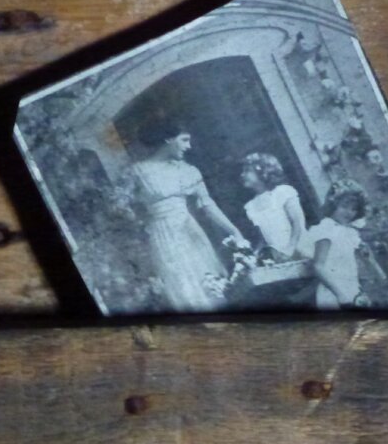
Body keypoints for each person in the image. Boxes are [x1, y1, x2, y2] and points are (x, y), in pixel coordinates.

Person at [123, 120, 247, 312]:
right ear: (168, 139)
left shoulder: (189, 171)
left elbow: (208, 205)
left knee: (209, 285)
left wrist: (234, 231)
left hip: (190, 231)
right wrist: (140, 222)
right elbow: (121, 209)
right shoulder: (138, 171)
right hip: (162, 236)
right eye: (184, 140)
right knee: (184, 290)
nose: (189, 146)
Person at [299, 180, 369, 310]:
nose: (349, 212)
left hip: (352, 289)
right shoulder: (327, 228)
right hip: (333, 292)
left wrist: (358, 290)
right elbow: (318, 266)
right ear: (333, 204)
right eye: (344, 206)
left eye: (354, 209)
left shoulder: (348, 231)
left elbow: (351, 265)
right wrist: (341, 295)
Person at [240, 153, 306, 261]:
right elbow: (264, 239)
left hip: (298, 249)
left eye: (247, 170)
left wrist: (290, 249)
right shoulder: (251, 206)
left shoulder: (283, 192)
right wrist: (254, 256)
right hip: (279, 257)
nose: (242, 175)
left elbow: (298, 224)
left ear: (263, 172)